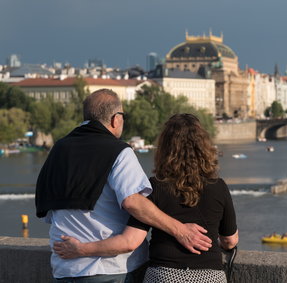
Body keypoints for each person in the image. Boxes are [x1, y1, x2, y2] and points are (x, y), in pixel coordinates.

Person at [36, 90, 212, 282]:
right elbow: (133, 202)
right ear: (115, 119)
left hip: (65, 268)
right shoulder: (118, 151)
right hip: (111, 269)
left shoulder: (57, 151)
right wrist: (181, 230)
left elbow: (50, 212)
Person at [54, 113, 239, 283]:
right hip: (209, 276)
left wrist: (81, 249)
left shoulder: (155, 187)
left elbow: (130, 241)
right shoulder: (218, 186)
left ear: (165, 149)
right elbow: (230, 240)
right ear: (204, 147)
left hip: (164, 275)